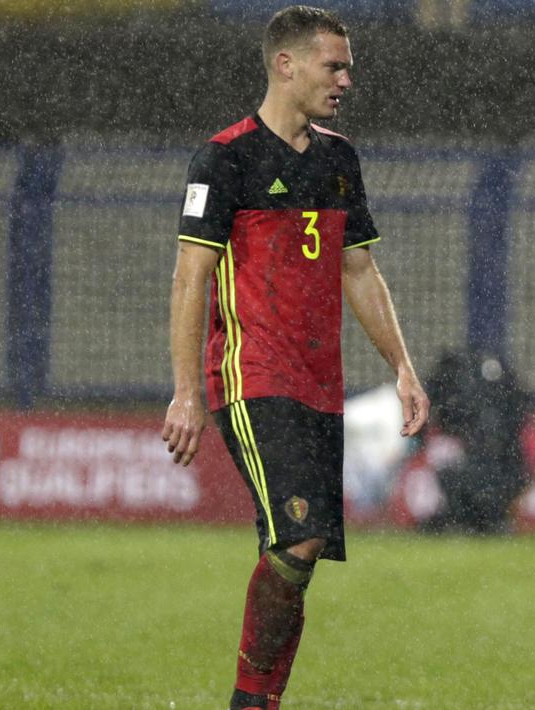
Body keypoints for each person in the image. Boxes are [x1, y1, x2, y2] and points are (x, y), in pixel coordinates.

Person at [160, 7, 430, 710]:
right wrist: (186, 391)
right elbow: (191, 278)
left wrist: (402, 367)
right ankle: (251, 701)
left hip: (319, 385)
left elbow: (359, 271)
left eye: (347, 67)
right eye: (332, 66)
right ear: (286, 65)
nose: (345, 79)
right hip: (252, 378)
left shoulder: (339, 159)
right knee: (300, 537)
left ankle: (260, 700)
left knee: (296, 558)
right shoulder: (225, 158)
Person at [418, 347, 530, 535]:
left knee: (455, 477)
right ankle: (487, 521)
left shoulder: (463, 384)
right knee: (463, 477)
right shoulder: (503, 389)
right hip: (506, 468)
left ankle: (473, 521)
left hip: (497, 468)